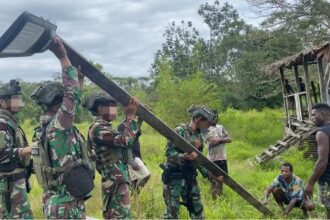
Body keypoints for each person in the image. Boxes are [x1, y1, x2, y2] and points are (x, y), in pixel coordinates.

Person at [30, 37, 93, 219]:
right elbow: (71, 95)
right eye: (63, 101)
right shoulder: (58, 127)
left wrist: (79, 82)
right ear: (58, 103)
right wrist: (63, 58)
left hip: (58, 203)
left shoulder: (49, 127)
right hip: (65, 206)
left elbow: (74, 100)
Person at [84, 92, 139, 219]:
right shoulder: (97, 129)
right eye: (112, 105)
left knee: (123, 215)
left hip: (118, 180)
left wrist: (134, 119)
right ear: (100, 109)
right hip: (113, 182)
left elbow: (127, 140)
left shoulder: (106, 128)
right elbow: (126, 140)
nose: (115, 109)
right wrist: (130, 117)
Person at [162, 105, 221, 219]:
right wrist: (185, 157)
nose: (208, 126)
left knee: (198, 212)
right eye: (207, 122)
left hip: (190, 179)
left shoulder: (198, 135)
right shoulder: (180, 131)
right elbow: (169, 154)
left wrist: (211, 175)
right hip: (175, 180)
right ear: (198, 118)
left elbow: (199, 160)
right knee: (172, 214)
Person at [0, 80, 33, 219]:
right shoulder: (2, 123)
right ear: (2, 102)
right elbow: (2, 154)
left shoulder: (9, 122)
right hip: (9, 186)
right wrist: (27, 150)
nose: (19, 102)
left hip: (15, 184)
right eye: (15, 98)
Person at [305, 103, 330, 219]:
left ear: (323, 114)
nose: (311, 118)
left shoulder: (322, 133)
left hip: (327, 181)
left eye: (314, 115)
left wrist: (310, 183)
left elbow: (322, 161)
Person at [118, 116, 151, 194]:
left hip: (136, 156)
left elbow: (135, 137)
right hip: (130, 157)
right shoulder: (122, 126)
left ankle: (134, 195)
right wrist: (131, 160)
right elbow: (124, 144)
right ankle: (135, 194)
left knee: (135, 181)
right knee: (146, 175)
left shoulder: (134, 125)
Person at [203, 109, 231, 199]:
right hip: (212, 158)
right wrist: (223, 137)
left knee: (222, 178)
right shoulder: (205, 129)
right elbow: (212, 141)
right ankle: (214, 198)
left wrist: (219, 139)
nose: (215, 119)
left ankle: (219, 196)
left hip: (222, 157)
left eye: (216, 117)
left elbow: (229, 139)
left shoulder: (221, 127)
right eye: (213, 117)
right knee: (214, 179)